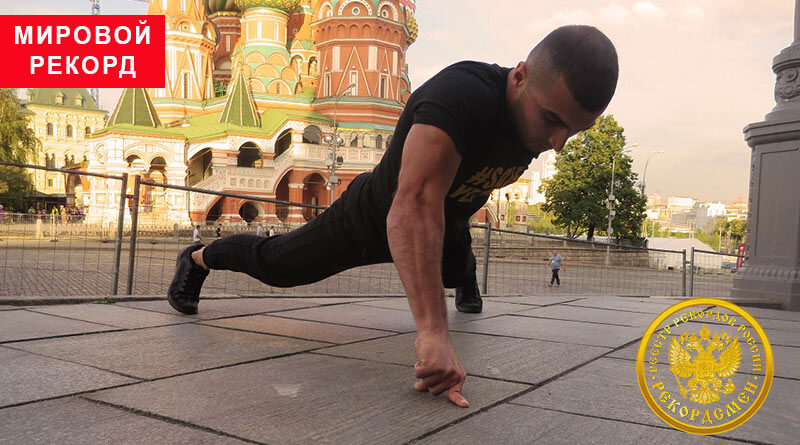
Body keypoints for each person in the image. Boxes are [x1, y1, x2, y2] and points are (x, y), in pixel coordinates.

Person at [167, 25, 618, 408]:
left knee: (455, 257)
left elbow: (448, 204)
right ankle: (199, 258)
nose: (557, 143)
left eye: (573, 131)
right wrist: (433, 334)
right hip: (375, 214)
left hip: (450, 217)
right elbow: (414, 207)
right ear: (520, 76)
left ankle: (463, 275)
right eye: (552, 120)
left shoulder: (537, 120)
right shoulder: (458, 99)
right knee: (280, 265)